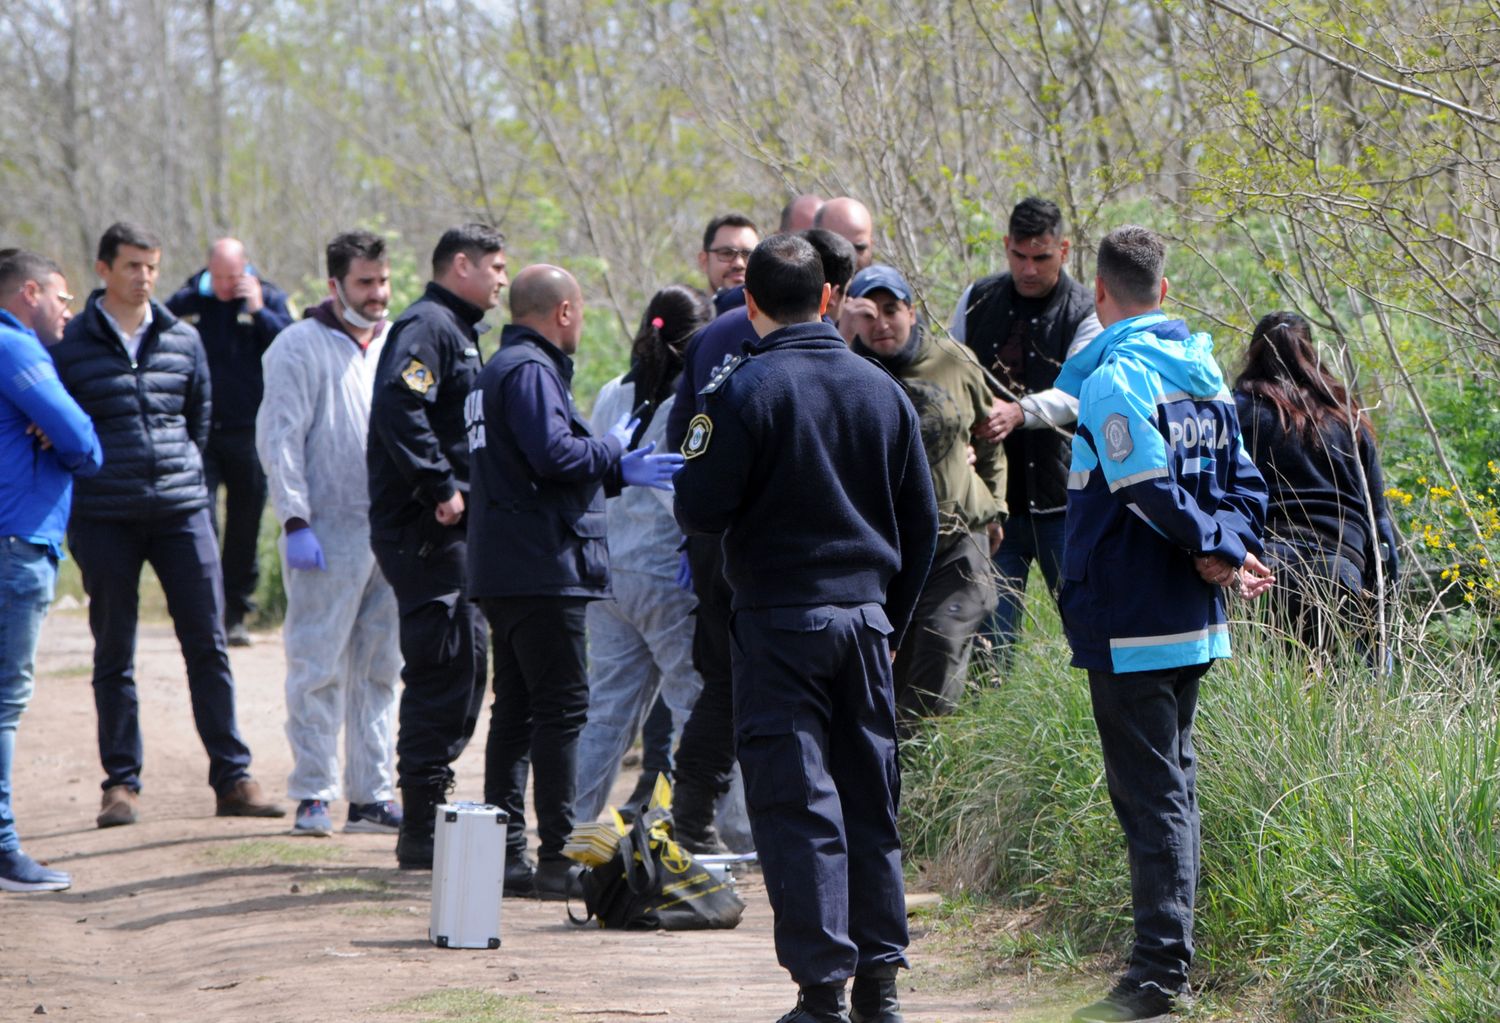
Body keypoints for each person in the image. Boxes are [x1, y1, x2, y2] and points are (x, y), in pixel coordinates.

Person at [674, 235, 939, 1023]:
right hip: (865, 625)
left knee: (798, 805)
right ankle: (880, 989)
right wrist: (889, 620)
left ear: (749, 304)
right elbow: (922, 527)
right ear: (830, 297)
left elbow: (699, 505)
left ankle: (822, 992)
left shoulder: (742, 391)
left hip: (779, 624)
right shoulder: (882, 392)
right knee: (868, 804)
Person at [1055, 226, 1273, 1023]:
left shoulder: (1118, 379)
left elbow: (1146, 490)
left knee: (1154, 797)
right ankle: (1162, 962)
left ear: (1099, 297)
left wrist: (1218, 546)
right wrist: (1227, 546)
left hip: (1134, 619)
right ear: (1166, 291)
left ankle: (1157, 974)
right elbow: (1245, 483)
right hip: (1191, 617)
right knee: (1171, 788)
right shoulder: (1206, 375)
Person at [52, 222, 284, 827]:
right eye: (132, 266)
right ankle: (121, 784)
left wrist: (178, 476)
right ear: (103, 269)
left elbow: (197, 421)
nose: (145, 277)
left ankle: (232, 777)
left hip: (182, 510)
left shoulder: (182, 338)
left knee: (208, 644)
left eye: (151, 266)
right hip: (105, 515)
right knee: (114, 652)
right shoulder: (71, 345)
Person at [466, 265, 683, 899]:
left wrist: (614, 472)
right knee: (561, 710)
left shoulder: (495, 372)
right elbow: (555, 455)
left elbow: (535, 472)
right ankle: (559, 856)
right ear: (563, 312)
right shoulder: (530, 371)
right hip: (542, 568)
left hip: (506, 567)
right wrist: (614, 451)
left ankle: (504, 851)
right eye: (580, 312)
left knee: (516, 711)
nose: (581, 324)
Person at [665, 228, 857, 855]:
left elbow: (682, 443)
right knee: (737, 686)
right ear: (823, 295)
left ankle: (707, 820)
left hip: (727, 537)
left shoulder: (711, 337)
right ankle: (703, 821)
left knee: (728, 684)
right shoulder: (810, 354)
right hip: (763, 550)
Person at [367, 223, 507, 869]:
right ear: (461, 265)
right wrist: (439, 486)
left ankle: (429, 814)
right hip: (427, 530)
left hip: (455, 530)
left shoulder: (457, 330)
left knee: (463, 663)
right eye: (495, 266)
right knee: (444, 663)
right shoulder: (427, 325)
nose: (503, 278)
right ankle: (420, 825)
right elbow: (401, 405)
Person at [257, 231, 402, 838]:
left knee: (380, 667)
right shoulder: (298, 346)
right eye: (364, 282)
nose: (377, 294)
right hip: (325, 530)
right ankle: (314, 790)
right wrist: (294, 518)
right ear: (334, 285)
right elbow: (280, 436)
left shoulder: (397, 343)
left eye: (383, 281)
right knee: (317, 664)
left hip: (392, 532)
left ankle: (372, 795)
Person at [839, 265, 1006, 725]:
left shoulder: (953, 360)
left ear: (912, 312)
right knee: (888, 664)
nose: (882, 324)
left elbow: (989, 436)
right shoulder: (845, 373)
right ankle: (890, 768)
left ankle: (924, 765)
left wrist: (996, 508)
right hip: (886, 548)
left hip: (958, 537)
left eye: (892, 310)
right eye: (868, 314)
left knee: (941, 641)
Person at [573, 285, 714, 826]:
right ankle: (704, 828)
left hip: (607, 572)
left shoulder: (614, 389)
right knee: (693, 704)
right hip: (664, 574)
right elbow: (678, 487)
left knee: (605, 713)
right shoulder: (690, 400)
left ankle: (573, 823)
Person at [950, 197, 1101, 657]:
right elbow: (950, 370)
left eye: (1041, 257)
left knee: (1087, 630)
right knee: (991, 642)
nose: (1029, 269)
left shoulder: (1087, 310)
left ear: (1065, 250)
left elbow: (1079, 393)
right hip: (993, 503)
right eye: (1019, 256)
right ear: (1006, 247)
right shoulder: (977, 299)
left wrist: (1018, 412)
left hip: (1064, 502)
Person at [0, 250, 101, 891]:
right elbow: (83, 441)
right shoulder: (16, 348)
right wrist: (58, 431)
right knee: (4, 706)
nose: (67, 310)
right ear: (29, 292)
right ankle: (4, 847)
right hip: (17, 544)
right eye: (61, 298)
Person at [1233, 311, 1399, 660]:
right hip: (1343, 568)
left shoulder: (1237, 413)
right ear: (1311, 353)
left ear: (1254, 355)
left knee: (1272, 693)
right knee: (1346, 690)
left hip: (1268, 569)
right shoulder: (1346, 416)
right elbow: (1381, 524)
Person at [166, 238, 294, 646]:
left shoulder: (268, 297)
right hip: (200, 430)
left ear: (246, 270)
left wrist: (257, 310)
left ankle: (235, 613)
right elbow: (159, 325)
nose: (224, 286)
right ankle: (202, 610)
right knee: (200, 522)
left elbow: (290, 346)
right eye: (218, 277)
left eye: (232, 277)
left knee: (245, 525)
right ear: (207, 270)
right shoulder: (191, 298)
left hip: (250, 432)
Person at [698, 213, 760, 315]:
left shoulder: (776, 322)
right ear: (704, 261)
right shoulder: (689, 323)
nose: (739, 264)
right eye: (727, 253)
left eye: (748, 254)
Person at [814, 197, 874, 270]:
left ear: (871, 245)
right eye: (838, 248)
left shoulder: (885, 279)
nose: (851, 259)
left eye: (859, 248)